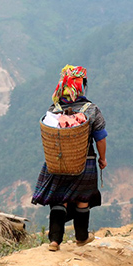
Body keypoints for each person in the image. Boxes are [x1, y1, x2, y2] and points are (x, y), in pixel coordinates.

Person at [31, 65, 107, 251]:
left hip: (57, 161)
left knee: (59, 199)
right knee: (83, 198)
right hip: (85, 160)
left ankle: (55, 241)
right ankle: (81, 237)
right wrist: (102, 159)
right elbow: (100, 137)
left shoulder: (53, 110)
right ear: (82, 86)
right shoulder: (91, 110)